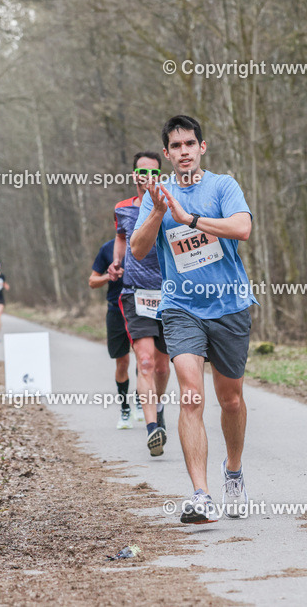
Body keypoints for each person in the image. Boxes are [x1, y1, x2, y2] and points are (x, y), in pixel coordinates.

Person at [131, 115, 255, 524]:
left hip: (229, 304)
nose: (183, 152)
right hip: (181, 306)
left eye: (190, 144)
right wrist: (159, 212)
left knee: (231, 399)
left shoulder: (222, 185)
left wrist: (189, 220)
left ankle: (232, 473)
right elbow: (137, 249)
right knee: (190, 394)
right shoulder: (156, 195)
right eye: (175, 146)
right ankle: (201, 495)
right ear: (165, 154)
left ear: (202, 147)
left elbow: (242, 228)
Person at [115, 151, 171, 455]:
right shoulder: (122, 208)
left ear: (160, 174)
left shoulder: (170, 202)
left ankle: (158, 408)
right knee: (146, 361)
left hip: (170, 292)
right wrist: (116, 262)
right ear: (134, 174)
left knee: (162, 367)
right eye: (141, 171)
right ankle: (152, 430)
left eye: (152, 171)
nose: (146, 176)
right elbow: (121, 238)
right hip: (135, 292)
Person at [89, 239, 134, 429]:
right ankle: (125, 408)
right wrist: (110, 276)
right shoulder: (107, 248)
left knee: (146, 359)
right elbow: (92, 281)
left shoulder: (147, 242)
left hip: (142, 309)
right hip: (116, 310)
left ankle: (143, 399)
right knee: (122, 362)